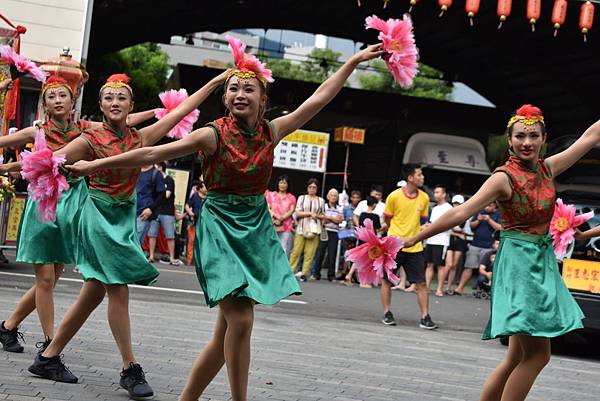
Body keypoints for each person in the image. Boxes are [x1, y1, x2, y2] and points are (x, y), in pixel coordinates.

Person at [67, 40, 383, 401]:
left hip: (254, 227)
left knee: (226, 333)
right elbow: (152, 151)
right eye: (233, 88)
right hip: (218, 226)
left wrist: (354, 59)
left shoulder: (272, 131)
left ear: (263, 99)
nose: (240, 93)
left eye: (249, 88)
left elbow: (319, 99)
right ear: (225, 97)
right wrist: (93, 166)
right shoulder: (212, 134)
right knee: (243, 320)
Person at [21, 72, 229, 399]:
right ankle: (130, 369)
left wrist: (215, 84)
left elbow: (179, 111)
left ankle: (48, 357)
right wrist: (55, 172)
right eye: (108, 99)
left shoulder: (140, 138)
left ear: (131, 105)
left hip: (123, 217)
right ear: (101, 106)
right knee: (117, 287)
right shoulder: (89, 140)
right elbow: (48, 161)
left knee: (93, 293)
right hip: (96, 215)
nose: (115, 103)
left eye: (121, 99)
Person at [401, 104, 596, 401]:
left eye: (533, 136)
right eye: (520, 136)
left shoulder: (548, 168)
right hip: (520, 266)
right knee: (538, 356)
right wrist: (417, 235)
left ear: (544, 138)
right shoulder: (503, 178)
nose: (526, 142)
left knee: (516, 357)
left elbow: (590, 136)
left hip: (540, 262)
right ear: (509, 140)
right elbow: (463, 211)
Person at [0, 75, 155, 354]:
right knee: (45, 278)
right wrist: (7, 170)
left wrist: (160, 112)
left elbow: (125, 120)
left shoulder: (85, 129)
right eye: (51, 96)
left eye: (63, 95)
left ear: (74, 102)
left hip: (74, 203)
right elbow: (15, 154)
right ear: (45, 104)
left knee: (54, 276)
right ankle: (49, 344)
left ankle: (9, 326)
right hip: (45, 203)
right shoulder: (35, 131)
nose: (58, 100)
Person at [381, 164, 437, 330]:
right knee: (387, 281)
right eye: (419, 175)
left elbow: (423, 221)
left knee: (422, 283)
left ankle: (425, 317)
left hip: (415, 247)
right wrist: (396, 235)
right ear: (410, 178)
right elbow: (388, 220)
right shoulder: (394, 196)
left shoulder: (425, 198)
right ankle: (386, 312)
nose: (422, 177)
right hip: (393, 247)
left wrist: (420, 231)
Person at [454, 202, 501, 295]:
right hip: (475, 244)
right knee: (468, 267)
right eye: (486, 205)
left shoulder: (498, 214)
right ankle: (459, 288)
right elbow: (471, 226)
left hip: (489, 246)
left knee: (484, 269)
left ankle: (480, 290)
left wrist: (489, 220)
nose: (487, 207)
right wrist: (478, 220)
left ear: (495, 206)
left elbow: (500, 228)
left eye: (490, 205)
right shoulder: (479, 211)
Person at [289, 178, 325, 281]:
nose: (312, 189)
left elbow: (323, 215)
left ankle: (304, 273)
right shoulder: (302, 198)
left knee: (310, 253)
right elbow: (297, 212)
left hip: (314, 229)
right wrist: (309, 214)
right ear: (307, 187)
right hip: (301, 227)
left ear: (317, 188)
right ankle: (290, 271)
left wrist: (317, 216)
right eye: (310, 187)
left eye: (314, 187)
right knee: (296, 251)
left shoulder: (321, 200)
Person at [148, 161, 183, 265]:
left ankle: (172, 258)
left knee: (169, 235)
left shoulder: (169, 179)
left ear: (160, 168)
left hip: (167, 212)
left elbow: (166, 195)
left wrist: (159, 189)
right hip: (155, 210)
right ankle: (151, 256)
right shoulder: (153, 179)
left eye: (155, 167)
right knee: (152, 234)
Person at [344, 195, 381, 287]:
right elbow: (378, 228)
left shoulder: (362, 215)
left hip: (362, 238)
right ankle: (363, 281)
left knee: (359, 258)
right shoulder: (375, 216)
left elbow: (360, 224)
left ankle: (349, 275)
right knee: (368, 261)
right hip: (371, 240)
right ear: (374, 205)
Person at [424, 185, 453, 295]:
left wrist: (433, 226)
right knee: (429, 265)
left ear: (444, 194)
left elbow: (449, 224)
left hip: (442, 241)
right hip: (431, 240)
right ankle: (425, 287)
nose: (435, 194)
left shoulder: (448, 208)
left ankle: (439, 289)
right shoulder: (434, 208)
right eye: (435, 192)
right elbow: (432, 224)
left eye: (437, 192)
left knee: (440, 266)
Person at [438, 194, 469, 296]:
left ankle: (449, 288)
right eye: (455, 203)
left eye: (458, 203)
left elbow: (463, 230)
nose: (456, 205)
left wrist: (457, 231)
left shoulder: (465, 214)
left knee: (454, 265)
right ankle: (440, 287)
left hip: (460, 242)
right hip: (450, 239)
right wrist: (457, 232)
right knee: (448, 264)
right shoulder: (449, 213)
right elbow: (451, 227)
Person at [310, 188, 343, 281]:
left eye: (335, 195)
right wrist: (333, 218)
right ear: (328, 196)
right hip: (324, 231)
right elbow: (320, 217)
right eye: (331, 195)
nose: (333, 197)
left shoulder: (340, 207)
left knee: (332, 254)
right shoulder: (323, 206)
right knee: (320, 253)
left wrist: (327, 218)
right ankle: (316, 274)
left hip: (335, 232)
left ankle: (331, 275)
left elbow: (340, 220)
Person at [265, 174, 296, 257]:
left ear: (288, 185)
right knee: (270, 246)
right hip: (272, 224)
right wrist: (276, 215)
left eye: (285, 183)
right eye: (281, 182)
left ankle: (281, 268)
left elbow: (292, 210)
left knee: (283, 247)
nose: (282, 185)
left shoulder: (291, 197)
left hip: (286, 226)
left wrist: (282, 218)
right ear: (278, 184)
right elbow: (268, 208)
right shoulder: (271, 195)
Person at [135, 164, 165, 250]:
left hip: (143, 214)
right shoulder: (135, 170)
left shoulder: (156, 174)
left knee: (135, 243)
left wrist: (150, 209)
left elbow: (162, 195)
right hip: (129, 212)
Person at [185, 180, 207, 265]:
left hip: (204, 223)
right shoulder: (195, 196)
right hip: (194, 222)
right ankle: (189, 260)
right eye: (205, 186)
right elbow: (187, 205)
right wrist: (190, 212)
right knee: (192, 241)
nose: (206, 188)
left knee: (203, 242)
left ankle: (201, 261)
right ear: (200, 188)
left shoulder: (208, 198)